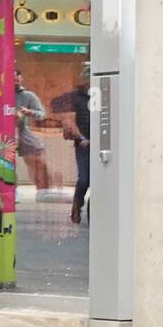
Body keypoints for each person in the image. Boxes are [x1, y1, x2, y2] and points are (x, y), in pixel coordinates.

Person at [15, 70, 50, 192]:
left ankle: (42, 189)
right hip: (4, 132)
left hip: (22, 131)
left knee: (35, 159)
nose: (16, 82)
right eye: (13, 79)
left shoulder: (28, 95)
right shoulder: (1, 93)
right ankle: (12, 190)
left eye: (17, 79)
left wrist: (29, 112)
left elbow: (41, 114)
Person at [66, 65, 92, 225]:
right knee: (84, 179)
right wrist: (81, 137)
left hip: (101, 144)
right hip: (83, 144)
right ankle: (76, 206)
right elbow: (69, 121)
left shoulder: (100, 95)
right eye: (88, 80)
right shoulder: (75, 97)